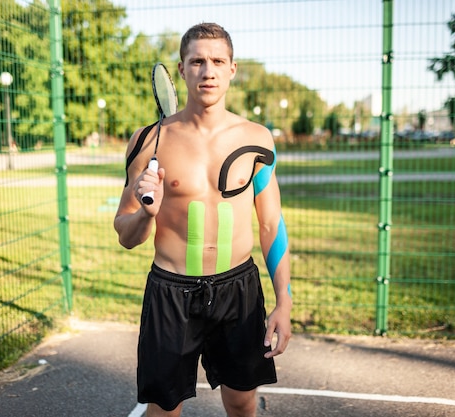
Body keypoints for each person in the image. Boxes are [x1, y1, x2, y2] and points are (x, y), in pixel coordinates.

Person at [114, 22, 292, 417]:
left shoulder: (257, 138)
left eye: (217, 61)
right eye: (197, 61)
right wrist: (147, 214)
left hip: (238, 290)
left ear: (232, 69)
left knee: (242, 401)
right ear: (181, 70)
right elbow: (126, 234)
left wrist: (284, 301)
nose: (207, 71)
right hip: (170, 293)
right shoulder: (148, 141)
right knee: (163, 409)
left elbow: (270, 225)